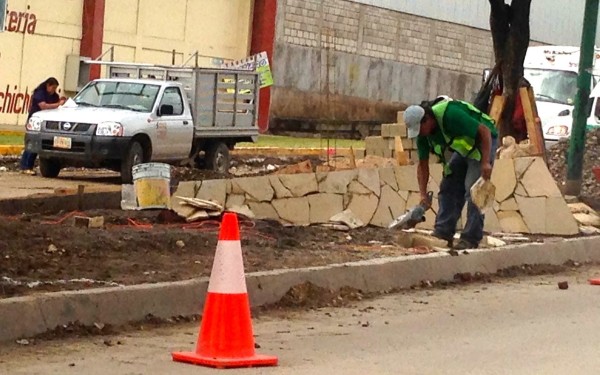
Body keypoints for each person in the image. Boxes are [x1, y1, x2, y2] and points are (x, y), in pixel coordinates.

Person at [403, 97, 498, 250]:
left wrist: (486, 162)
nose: (419, 134)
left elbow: (484, 131)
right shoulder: (423, 136)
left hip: (483, 141)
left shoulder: (450, 114)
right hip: (464, 149)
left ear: (426, 120)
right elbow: (422, 165)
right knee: (448, 187)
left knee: (474, 191)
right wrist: (422, 195)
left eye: (419, 129)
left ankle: (471, 238)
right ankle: (443, 232)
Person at [20, 77, 66, 175]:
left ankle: (28, 166)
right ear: (47, 85)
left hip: (46, 123)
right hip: (35, 122)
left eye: (55, 88)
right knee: (31, 145)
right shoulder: (39, 93)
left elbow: (58, 104)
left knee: (37, 145)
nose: (54, 90)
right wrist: (58, 104)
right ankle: (25, 166)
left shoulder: (54, 96)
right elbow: (43, 106)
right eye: (53, 88)